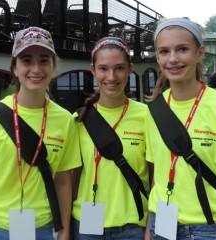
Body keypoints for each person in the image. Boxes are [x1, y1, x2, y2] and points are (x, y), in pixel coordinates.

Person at [0, 26, 81, 240]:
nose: (36, 69)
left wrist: (64, 232)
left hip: (43, 229)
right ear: (15, 68)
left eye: (44, 60)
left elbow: (63, 181)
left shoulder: (65, 120)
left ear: (53, 67)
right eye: (26, 60)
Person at [145, 18, 216, 240]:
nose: (173, 59)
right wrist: (150, 231)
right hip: (162, 224)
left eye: (183, 49)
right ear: (157, 57)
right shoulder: (154, 108)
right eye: (164, 51)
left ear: (200, 53)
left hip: (207, 229)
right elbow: (157, 178)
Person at [72, 36, 152, 239]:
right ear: (93, 70)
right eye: (103, 68)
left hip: (132, 227)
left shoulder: (147, 116)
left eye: (119, 68)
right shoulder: (78, 120)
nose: (111, 76)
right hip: (85, 228)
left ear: (130, 69)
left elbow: (156, 179)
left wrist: (150, 228)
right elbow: (71, 180)